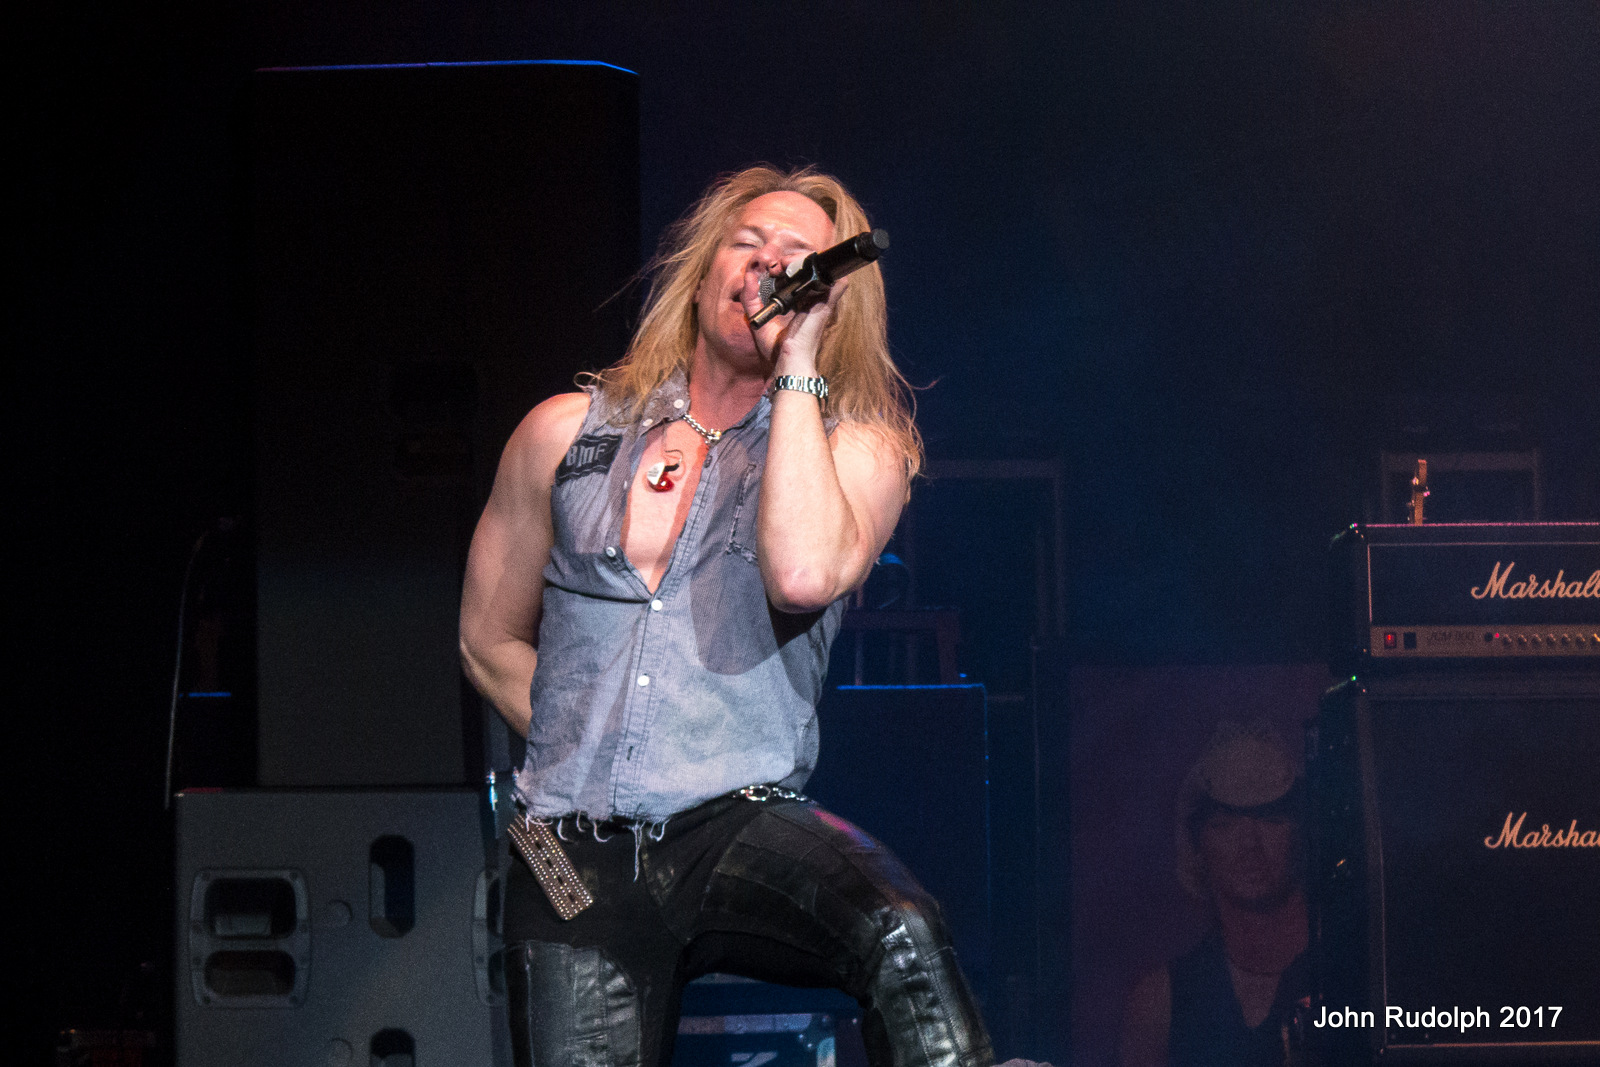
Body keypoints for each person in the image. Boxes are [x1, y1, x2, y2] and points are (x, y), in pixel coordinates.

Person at [459, 165, 993, 1067]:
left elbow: (802, 574)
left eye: (796, 257)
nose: (766, 265)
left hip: (734, 823)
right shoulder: (563, 432)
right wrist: (589, 741)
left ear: (833, 300)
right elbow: (486, 639)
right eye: (747, 244)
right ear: (703, 270)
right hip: (571, 848)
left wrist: (797, 367)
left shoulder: (859, 451)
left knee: (900, 931)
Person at [1119, 722, 1310, 1067]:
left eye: (1270, 818)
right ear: (1197, 843)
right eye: (1226, 822)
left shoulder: (1349, 977)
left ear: (1301, 833)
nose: (1249, 844)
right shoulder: (1159, 1003)